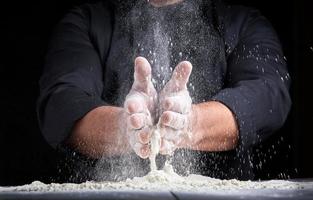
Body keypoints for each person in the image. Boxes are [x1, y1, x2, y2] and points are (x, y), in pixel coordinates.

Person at [37, 0, 291, 182]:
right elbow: (60, 102)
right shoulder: (87, 21)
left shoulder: (242, 21)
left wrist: (192, 124)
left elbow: (269, 93)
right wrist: (126, 128)